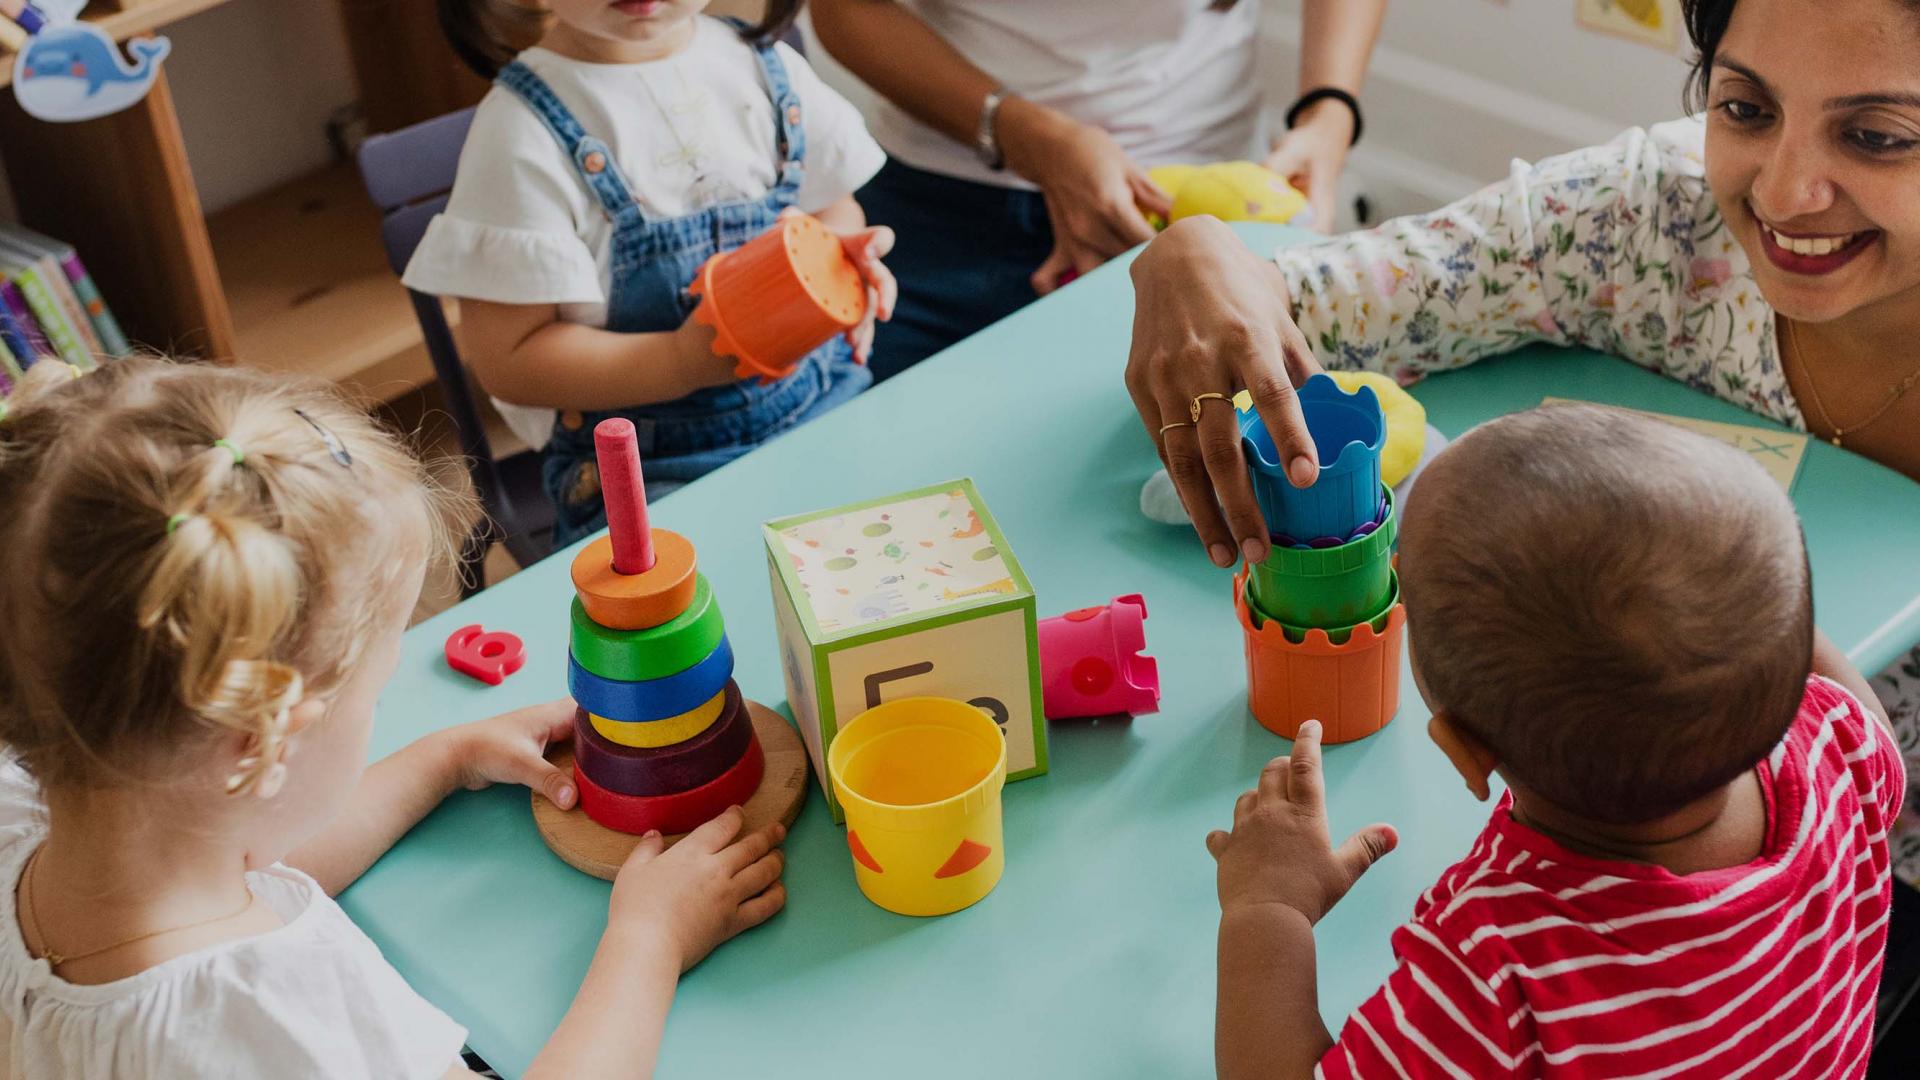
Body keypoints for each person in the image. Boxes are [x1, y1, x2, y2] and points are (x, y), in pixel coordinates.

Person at [1124, 0, 1920, 891]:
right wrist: (1190, 255)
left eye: (1880, 136)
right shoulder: (1644, 221)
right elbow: (1299, 308)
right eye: (1745, 109)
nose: (1782, 193)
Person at [0, 358, 787, 1077]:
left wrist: (444, 759)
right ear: (262, 740)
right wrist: (647, 944)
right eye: (373, 694)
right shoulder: (274, 1019)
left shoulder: (38, 821)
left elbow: (251, 868)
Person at [1210, 405, 1899, 1077]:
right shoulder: (1841, 751)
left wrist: (1269, 907)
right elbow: (1793, 651)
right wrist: (1725, 595)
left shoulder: (1499, 975)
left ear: (1464, 751)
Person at [409, 0, 895, 547]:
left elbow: (834, 208)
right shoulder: (520, 131)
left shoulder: (762, 64)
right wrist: (680, 361)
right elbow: (510, 359)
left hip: (824, 401)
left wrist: (841, 264)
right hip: (653, 471)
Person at [811, 0, 1386, 379]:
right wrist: (1025, 136)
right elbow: (842, 8)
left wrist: (1331, 114)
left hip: (1205, 204)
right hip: (939, 208)